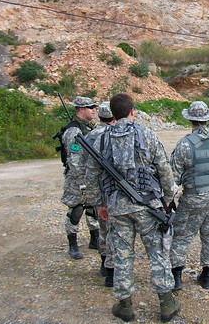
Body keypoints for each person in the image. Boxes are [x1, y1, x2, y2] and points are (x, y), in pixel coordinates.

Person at [84, 93, 180, 323]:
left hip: (117, 208)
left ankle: (125, 305)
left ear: (112, 114)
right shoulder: (147, 134)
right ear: (132, 111)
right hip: (147, 206)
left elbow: (91, 175)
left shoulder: (100, 139)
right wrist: (168, 198)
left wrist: (99, 204)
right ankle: (166, 303)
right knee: (156, 252)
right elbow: (164, 169)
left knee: (123, 255)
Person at [170, 101, 209, 292]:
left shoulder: (184, 144)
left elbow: (172, 178)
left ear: (190, 119)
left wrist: (168, 201)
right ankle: (207, 276)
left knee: (181, 235)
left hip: (193, 197)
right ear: (207, 119)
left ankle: (176, 277)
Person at [60, 95, 99, 260]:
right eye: (91, 108)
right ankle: (73, 244)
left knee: (93, 208)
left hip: (90, 176)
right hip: (78, 179)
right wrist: (83, 181)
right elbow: (74, 160)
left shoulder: (88, 128)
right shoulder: (73, 131)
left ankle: (95, 238)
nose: (94, 111)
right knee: (76, 209)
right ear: (82, 109)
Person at [84, 101, 116, 287]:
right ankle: (113, 269)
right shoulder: (114, 135)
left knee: (103, 228)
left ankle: (105, 264)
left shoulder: (90, 136)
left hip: (98, 188)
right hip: (113, 189)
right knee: (116, 230)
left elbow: (86, 167)